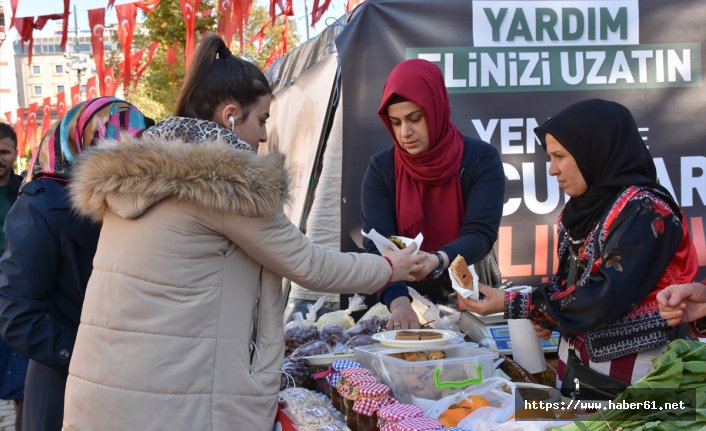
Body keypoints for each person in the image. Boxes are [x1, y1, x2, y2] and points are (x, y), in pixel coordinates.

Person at [61, 33, 423, 431]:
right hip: (177, 404)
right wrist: (390, 267)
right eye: (263, 119)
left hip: (105, 393)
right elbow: (309, 264)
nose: (265, 136)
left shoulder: (136, 180)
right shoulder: (223, 185)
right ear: (230, 116)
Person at [460, 99, 698, 393]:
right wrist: (550, 318)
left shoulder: (648, 210)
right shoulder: (580, 212)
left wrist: (514, 304)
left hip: (637, 381)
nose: (552, 170)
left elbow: (603, 296)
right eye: (550, 157)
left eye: (560, 156)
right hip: (576, 371)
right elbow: (569, 287)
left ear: (593, 151)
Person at [0, 98, 155, 431]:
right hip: (63, 386)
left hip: (132, 387)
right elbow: (18, 316)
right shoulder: (39, 205)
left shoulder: (140, 204)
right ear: (85, 148)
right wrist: (89, 357)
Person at [361, 58, 505, 330]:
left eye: (415, 118)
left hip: (467, 295)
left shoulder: (480, 160)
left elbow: (480, 233)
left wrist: (438, 260)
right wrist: (399, 301)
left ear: (436, 109)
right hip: (396, 295)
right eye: (395, 122)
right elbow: (378, 245)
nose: (405, 132)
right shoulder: (381, 169)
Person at [0, 123, 27, 431]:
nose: (0, 158)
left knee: (21, 380)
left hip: (16, 293)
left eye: (4, 152)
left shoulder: (24, 190)